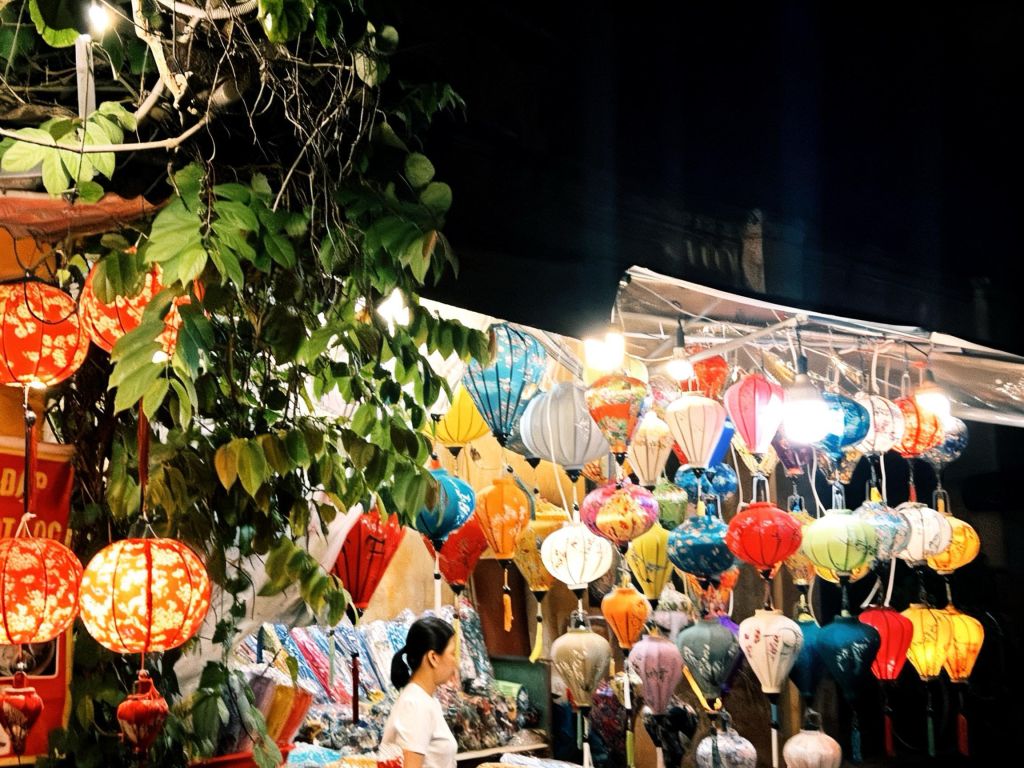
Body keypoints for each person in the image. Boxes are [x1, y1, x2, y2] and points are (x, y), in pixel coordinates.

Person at [380, 616, 459, 768]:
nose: (455, 661)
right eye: (452, 653)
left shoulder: (425, 699)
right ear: (433, 657)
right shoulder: (415, 704)